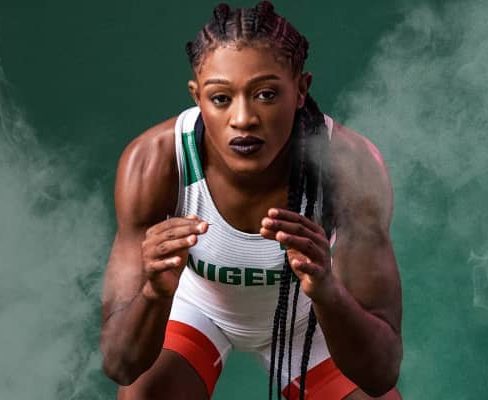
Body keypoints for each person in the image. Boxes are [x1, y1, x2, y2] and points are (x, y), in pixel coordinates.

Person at [99, 2, 403, 399]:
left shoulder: (348, 166)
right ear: (197, 97)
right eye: (221, 98)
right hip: (199, 311)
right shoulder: (155, 162)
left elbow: (380, 374)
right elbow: (120, 365)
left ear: (301, 90)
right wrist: (155, 293)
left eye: (266, 94)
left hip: (307, 319)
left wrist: (327, 289)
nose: (243, 118)